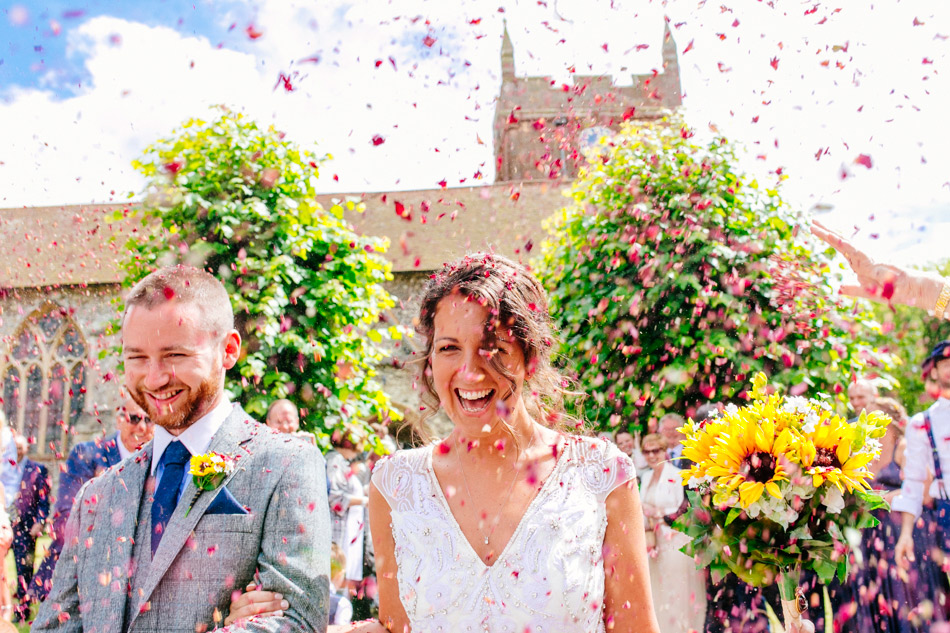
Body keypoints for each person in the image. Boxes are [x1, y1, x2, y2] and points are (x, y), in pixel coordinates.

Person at [231, 252, 662, 632]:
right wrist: (274, 619)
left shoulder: (600, 476)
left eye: (492, 348)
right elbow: (397, 628)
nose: (470, 372)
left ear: (529, 357)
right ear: (430, 358)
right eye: (450, 348)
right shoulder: (396, 486)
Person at [32, 265, 331, 633]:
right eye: (137, 357)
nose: (155, 378)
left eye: (175, 355)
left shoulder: (287, 465)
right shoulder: (97, 495)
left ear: (229, 350)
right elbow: (53, 626)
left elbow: (297, 621)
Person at [30, 392, 153, 602]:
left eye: (150, 420)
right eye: (134, 418)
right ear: (119, 417)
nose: (141, 427)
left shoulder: (160, 461)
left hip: (136, 583)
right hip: (80, 574)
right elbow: (66, 517)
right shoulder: (87, 455)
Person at [891, 341, 950, 626]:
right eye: (946, 364)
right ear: (935, 371)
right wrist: (905, 534)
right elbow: (913, 483)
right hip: (944, 516)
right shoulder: (921, 423)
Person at [639, 433, 706, 633]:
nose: (651, 456)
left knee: (676, 588)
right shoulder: (645, 476)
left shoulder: (676, 475)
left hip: (674, 539)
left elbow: (682, 510)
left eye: (655, 451)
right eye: (647, 452)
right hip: (653, 540)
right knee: (658, 589)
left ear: (664, 452)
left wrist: (658, 514)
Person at [10, 434, 50, 622]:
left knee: (23, 571)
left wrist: (39, 521)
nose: (16, 450)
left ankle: (22, 612)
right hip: (4, 525)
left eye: (20, 447)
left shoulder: (38, 469)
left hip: (26, 528)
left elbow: (44, 499)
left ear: (26, 448)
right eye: (13, 447)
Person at [326, 431, 369, 596]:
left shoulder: (341, 462)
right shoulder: (335, 461)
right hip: (337, 531)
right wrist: (364, 501)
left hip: (346, 529)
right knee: (337, 574)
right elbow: (334, 496)